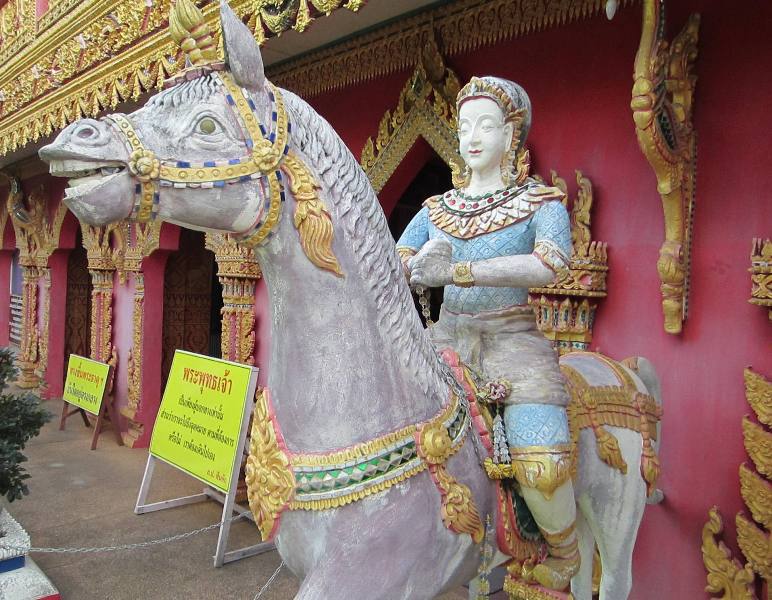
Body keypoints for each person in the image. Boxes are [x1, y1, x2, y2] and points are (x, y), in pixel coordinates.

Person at [396, 76, 579, 590]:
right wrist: (412, 267)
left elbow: (550, 265)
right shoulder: (436, 210)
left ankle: (562, 552)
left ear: (511, 134)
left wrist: (458, 272)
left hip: (510, 341)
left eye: (485, 125)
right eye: (463, 126)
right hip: (443, 340)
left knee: (539, 461)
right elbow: (398, 259)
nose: (471, 137)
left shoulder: (540, 202)